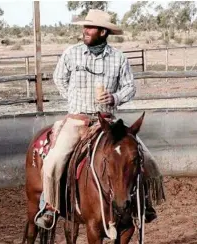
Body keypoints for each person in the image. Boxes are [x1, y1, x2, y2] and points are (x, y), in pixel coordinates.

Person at [37, 9, 163, 229]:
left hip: (108, 121)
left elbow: (130, 87)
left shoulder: (118, 58)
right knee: (53, 161)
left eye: (90, 27)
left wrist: (114, 98)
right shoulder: (71, 53)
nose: (85, 31)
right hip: (77, 121)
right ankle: (49, 206)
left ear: (103, 32)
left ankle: (144, 203)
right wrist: (74, 98)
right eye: (85, 27)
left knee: (145, 158)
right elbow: (59, 78)